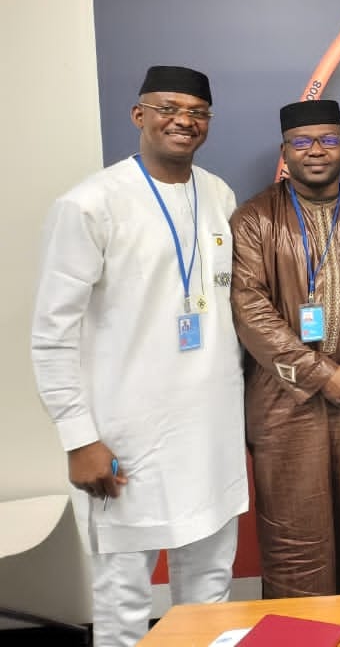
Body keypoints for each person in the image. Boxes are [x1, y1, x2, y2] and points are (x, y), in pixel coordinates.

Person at [31, 65, 247, 647]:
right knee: (124, 604)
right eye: (168, 107)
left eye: (198, 112)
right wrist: (78, 437)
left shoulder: (219, 194)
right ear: (139, 115)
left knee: (209, 594)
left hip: (210, 436)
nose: (184, 120)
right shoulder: (89, 204)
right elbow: (51, 334)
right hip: (125, 440)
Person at [230, 99, 340, 597]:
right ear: (285, 151)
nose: (316, 151)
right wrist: (322, 374)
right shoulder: (255, 218)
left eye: (328, 139)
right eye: (302, 142)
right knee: (295, 538)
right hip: (284, 401)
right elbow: (250, 308)